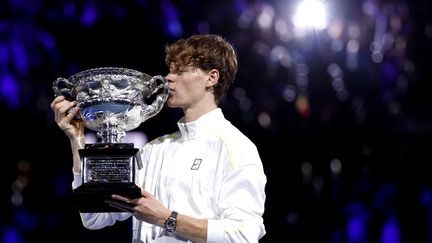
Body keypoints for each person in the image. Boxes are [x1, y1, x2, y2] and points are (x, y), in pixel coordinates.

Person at [50, 34, 267, 243]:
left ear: (211, 78)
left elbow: (243, 235)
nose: (168, 78)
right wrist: (76, 139)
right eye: (170, 71)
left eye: (180, 71)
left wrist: (166, 218)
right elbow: (94, 217)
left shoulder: (236, 148)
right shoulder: (153, 150)